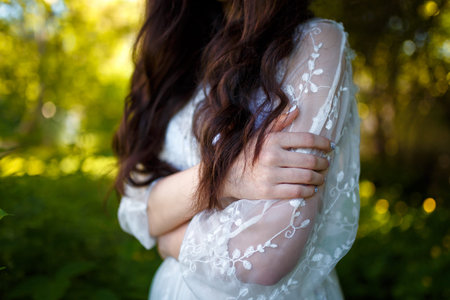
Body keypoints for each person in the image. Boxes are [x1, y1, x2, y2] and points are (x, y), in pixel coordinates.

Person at [114, 0, 360, 299]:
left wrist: (169, 239)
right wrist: (228, 176)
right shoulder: (177, 55)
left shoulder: (314, 42)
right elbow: (144, 211)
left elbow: (263, 257)